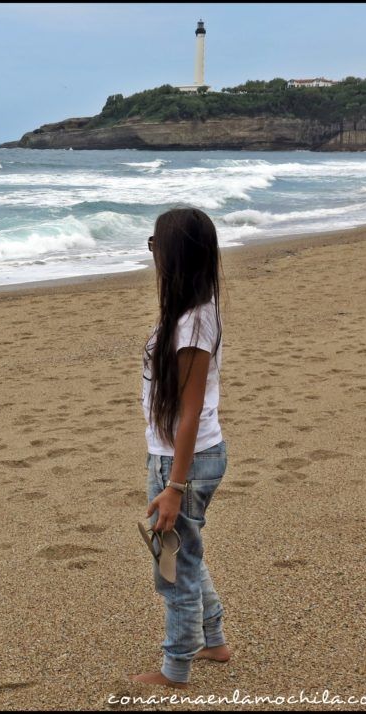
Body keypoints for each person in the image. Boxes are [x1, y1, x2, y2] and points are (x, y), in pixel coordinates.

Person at [131, 207, 230, 688]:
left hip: (183, 462)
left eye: (156, 245)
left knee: (172, 564)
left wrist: (174, 485)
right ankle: (213, 639)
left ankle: (176, 668)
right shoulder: (191, 312)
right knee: (185, 552)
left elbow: (189, 412)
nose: (152, 254)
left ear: (177, 256)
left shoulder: (192, 324)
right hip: (177, 455)